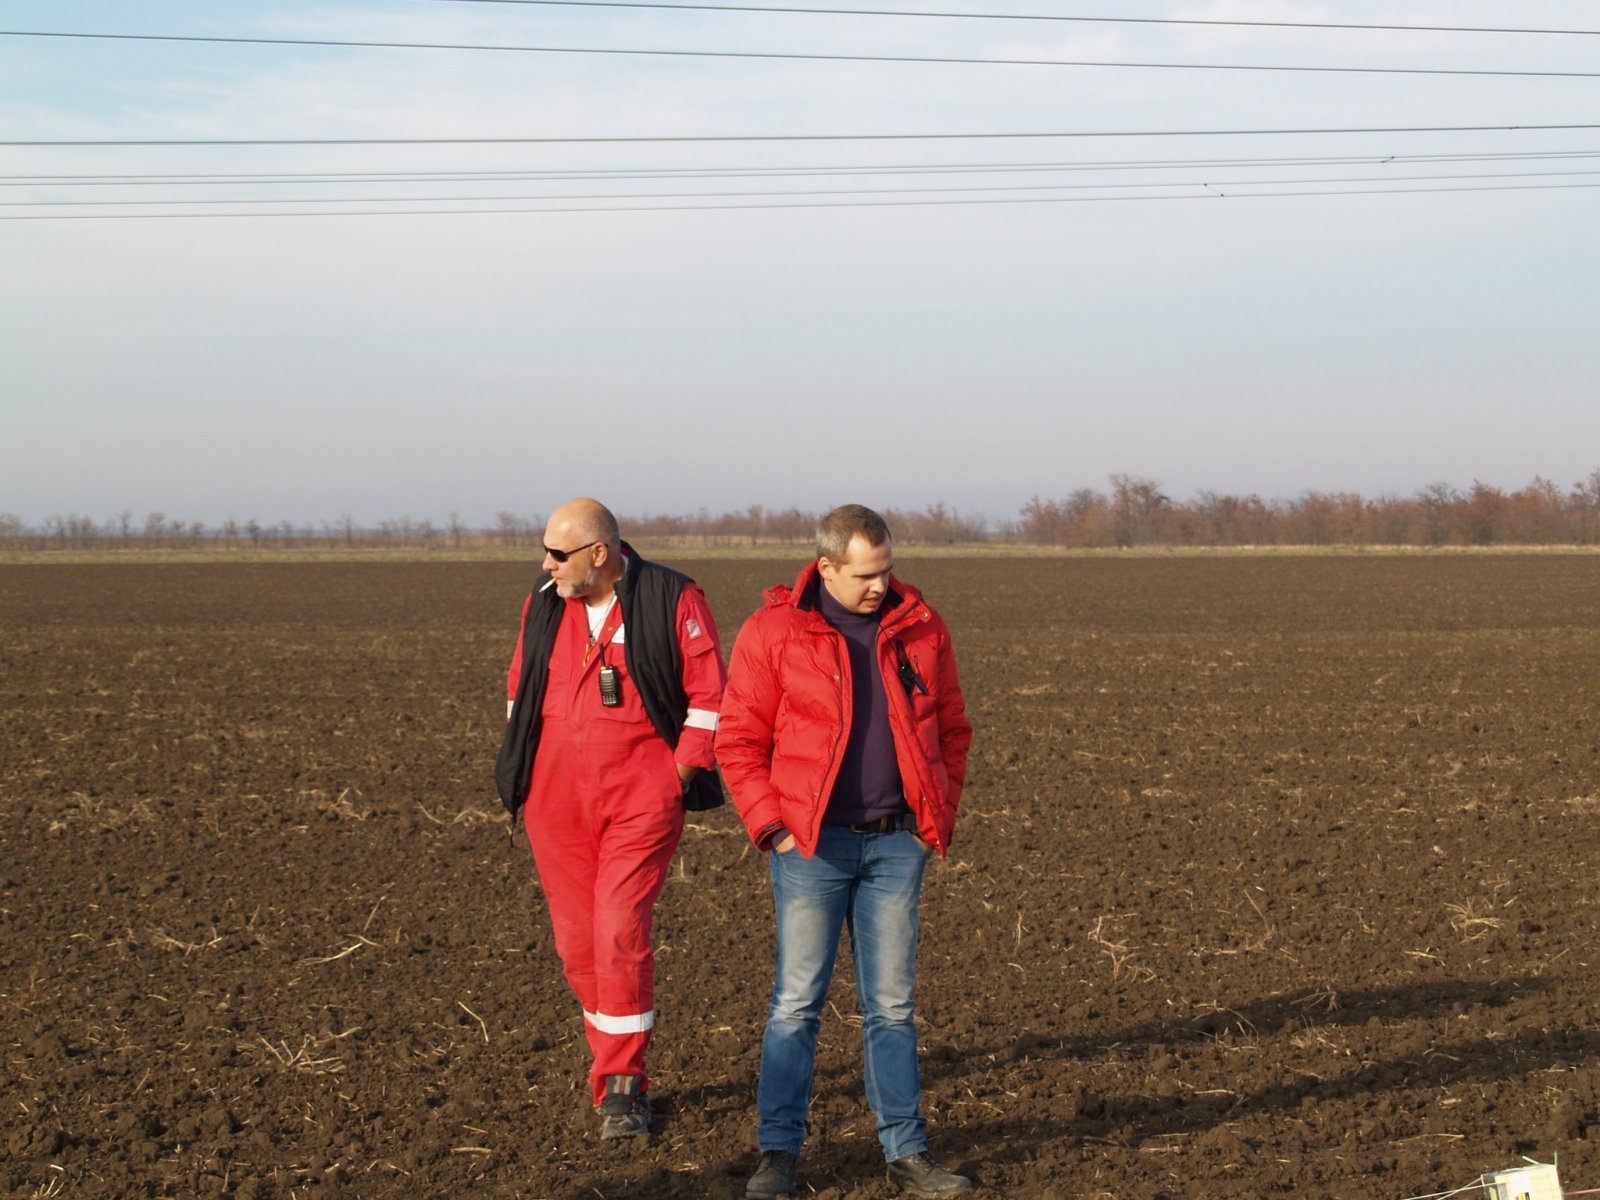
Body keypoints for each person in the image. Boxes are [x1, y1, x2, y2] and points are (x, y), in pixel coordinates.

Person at [715, 504, 975, 1198]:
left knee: (892, 1006)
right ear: (825, 567)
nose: (879, 586)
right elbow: (737, 740)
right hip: (811, 847)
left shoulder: (921, 626)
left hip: (897, 845)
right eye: (865, 575)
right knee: (796, 1003)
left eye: (886, 570)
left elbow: (952, 728)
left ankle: (906, 1152)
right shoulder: (774, 631)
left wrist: (934, 816)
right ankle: (778, 1154)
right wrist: (774, 827)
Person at [495, 497, 727, 1138]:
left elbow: (710, 695)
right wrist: (524, 768)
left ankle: (623, 1084)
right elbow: (520, 686)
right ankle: (610, 1059)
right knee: (577, 944)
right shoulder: (544, 601)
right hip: (555, 804)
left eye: (557, 553)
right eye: (544, 551)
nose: (546, 564)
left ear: (599, 553)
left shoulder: (673, 598)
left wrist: (678, 776)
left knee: (619, 929)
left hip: (639, 802)